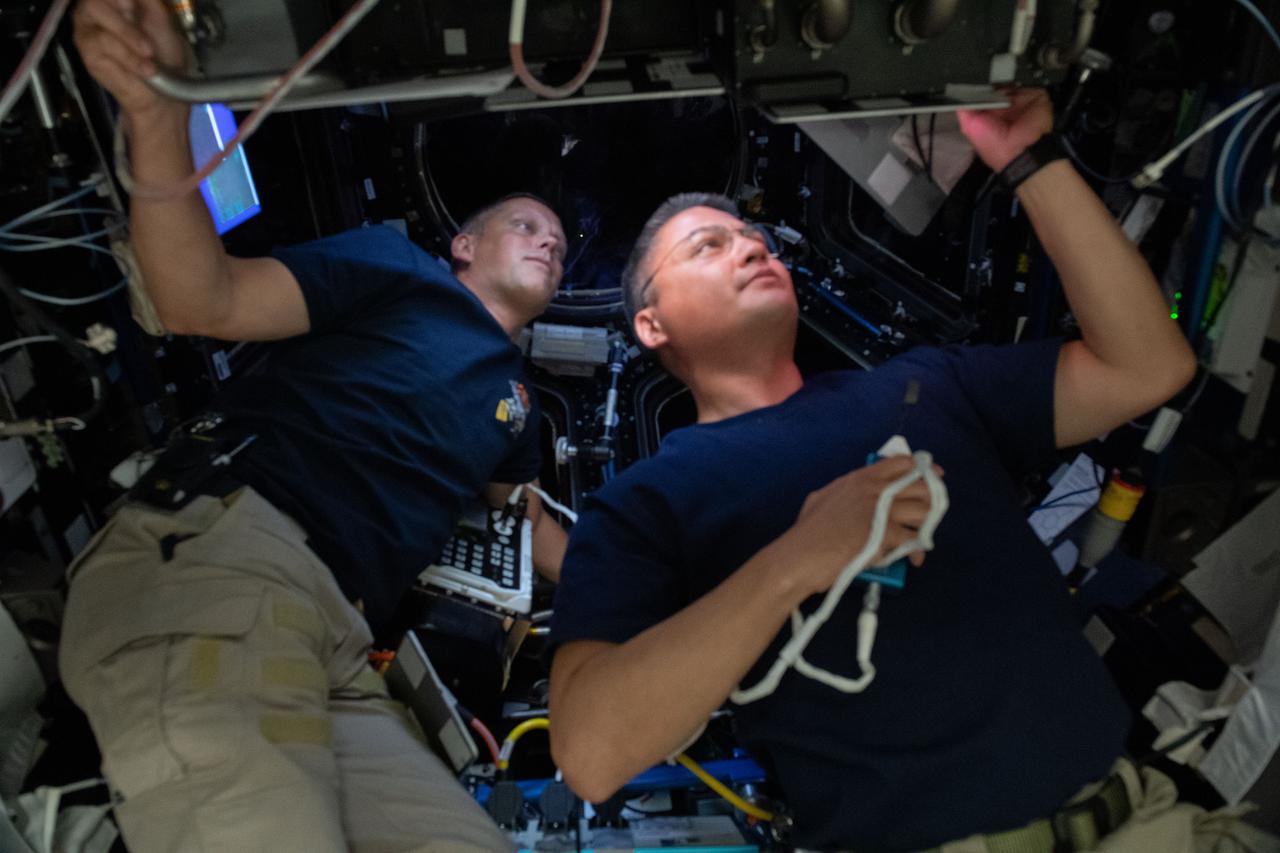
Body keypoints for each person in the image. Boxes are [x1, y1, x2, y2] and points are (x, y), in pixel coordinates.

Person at [547, 89, 1220, 852]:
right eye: (708, 245)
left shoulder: (926, 384)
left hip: (1145, 822)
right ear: (651, 322)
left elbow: (1149, 365)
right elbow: (590, 754)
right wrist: (797, 559)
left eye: (755, 237)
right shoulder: (643, 504)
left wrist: (1029, 158)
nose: (753, 247)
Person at [59, 0, 567, 850]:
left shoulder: (517, 401)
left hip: (333, 638)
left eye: (558, 242)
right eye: (525, 225)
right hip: (228, 562)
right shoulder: (399, 272)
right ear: (464, 248)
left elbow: (531, 521)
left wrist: (654, 597)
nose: (549, 244)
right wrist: (161, 113)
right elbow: (199, 299)